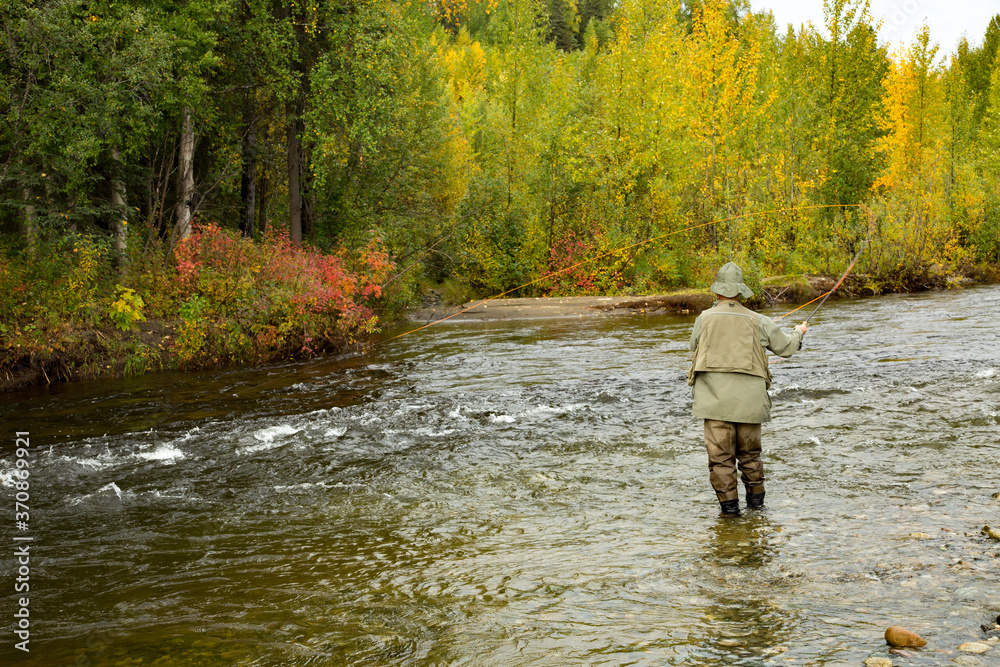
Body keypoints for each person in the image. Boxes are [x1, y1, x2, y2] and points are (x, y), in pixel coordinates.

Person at [687, 262, 808, 516]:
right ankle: (757, 511)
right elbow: (786, 348)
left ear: (717, 290)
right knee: (751, 457)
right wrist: (799, 332)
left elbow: (693, 344)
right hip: (750, 403)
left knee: (721, 459)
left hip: (715, 402)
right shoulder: (759, 320)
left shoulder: (703, 318)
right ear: (740, 291)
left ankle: (730, 515)